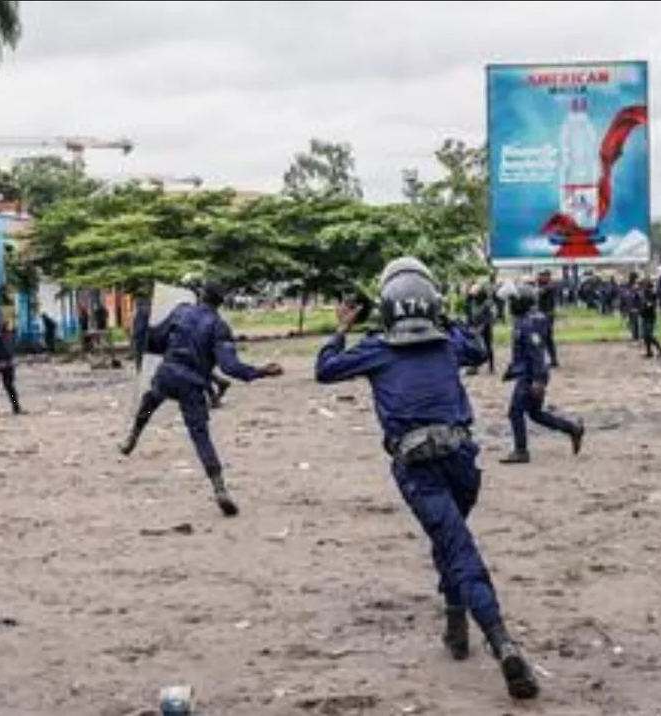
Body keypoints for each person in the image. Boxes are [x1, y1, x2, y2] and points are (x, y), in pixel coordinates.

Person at [313, 257, 541, 701]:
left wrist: (340, 327)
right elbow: (478, 349)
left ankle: (502, 643)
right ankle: (455, 623)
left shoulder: (377, 348)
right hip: (462, 460)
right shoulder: (448, 346)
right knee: (451, 537)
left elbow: (325, 368)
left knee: (457, 547)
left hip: (417, 466)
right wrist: (448, 317)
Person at [118, 281, 282, 517]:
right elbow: (230, 366)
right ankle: (219, 488)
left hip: (168, 374)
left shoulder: (181, 312)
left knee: (149, 401)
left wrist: (142, 324)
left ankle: (132, 436)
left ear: (201, 296)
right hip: (193, 385)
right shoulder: (219, 327)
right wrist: (261, 372)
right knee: (200, 436)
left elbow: (156, 341)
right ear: (220, 302)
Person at [499, 282, 585, 465]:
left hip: (531, 375)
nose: (509, 305)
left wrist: (538, 381)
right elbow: (522, 352)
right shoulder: (525, 320)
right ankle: (572, 428)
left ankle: (521, 451)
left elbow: (536, 352)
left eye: (512, 301)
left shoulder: (528, 323)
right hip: (528, 373)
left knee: (515, 412)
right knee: (535, 414)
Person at [463, 282, 496, 375]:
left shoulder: (487, 303)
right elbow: (468, 312)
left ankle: (491, 367)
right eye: (473, 294)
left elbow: (489, 317)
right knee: (473, 347)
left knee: (488, 345)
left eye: (475, 294)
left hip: (485, 327)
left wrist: (482, 327)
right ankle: (474, 367)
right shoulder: (472, 301)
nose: (473, 295)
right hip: (474, 325)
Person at [535, 270, 560, 368]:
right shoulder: (544, 285)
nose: (540, 278)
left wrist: (537, 284)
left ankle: (551, 360)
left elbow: (541, 292)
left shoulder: (551, 285)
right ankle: (551, 360)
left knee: (546, 337)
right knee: (545, 338)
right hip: (543, 314)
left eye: (542, 276)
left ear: (548, 276)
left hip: (547, 315)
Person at [639, 278, 661, 359]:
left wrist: (644, 306)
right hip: (646, 316)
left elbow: (649, 305)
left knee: (648, 334)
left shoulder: (650, 295)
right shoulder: (646, 294)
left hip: (649, 316)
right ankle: (649, 351)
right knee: (646, 335)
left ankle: (660, 349)